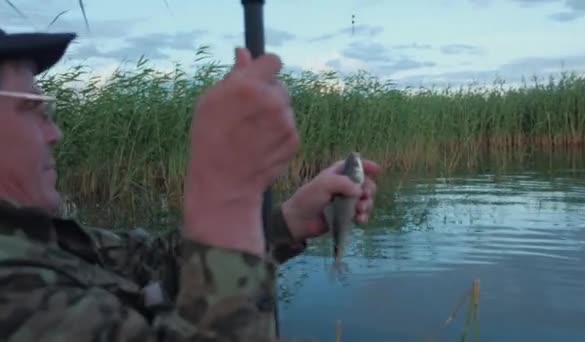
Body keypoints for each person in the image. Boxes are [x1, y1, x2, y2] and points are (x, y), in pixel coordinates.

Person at [0, 28, 380, 341]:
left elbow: (155, 262)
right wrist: (228, 197)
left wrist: (287, 222)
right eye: (33, 108)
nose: (55, 133)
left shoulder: (46, 244)